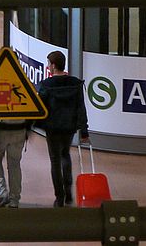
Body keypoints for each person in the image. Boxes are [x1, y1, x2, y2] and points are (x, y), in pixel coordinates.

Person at [36, 50, 89, 207]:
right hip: (69, 127)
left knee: (55, 160)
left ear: (53, 65)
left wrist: (31, 124)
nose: (48, 67)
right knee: (65, 155)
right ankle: (69, 194)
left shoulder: (46, 85)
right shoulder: (75, 84)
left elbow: (40, 107)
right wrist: (84, 131)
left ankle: (59, 197)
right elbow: (81, 108)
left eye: (48, 64)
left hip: (52, 128)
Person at [0, 118, 29, 208]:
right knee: (14, 164)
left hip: (0, 129)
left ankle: (2, 193)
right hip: (20, 128)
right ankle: (14, 199)